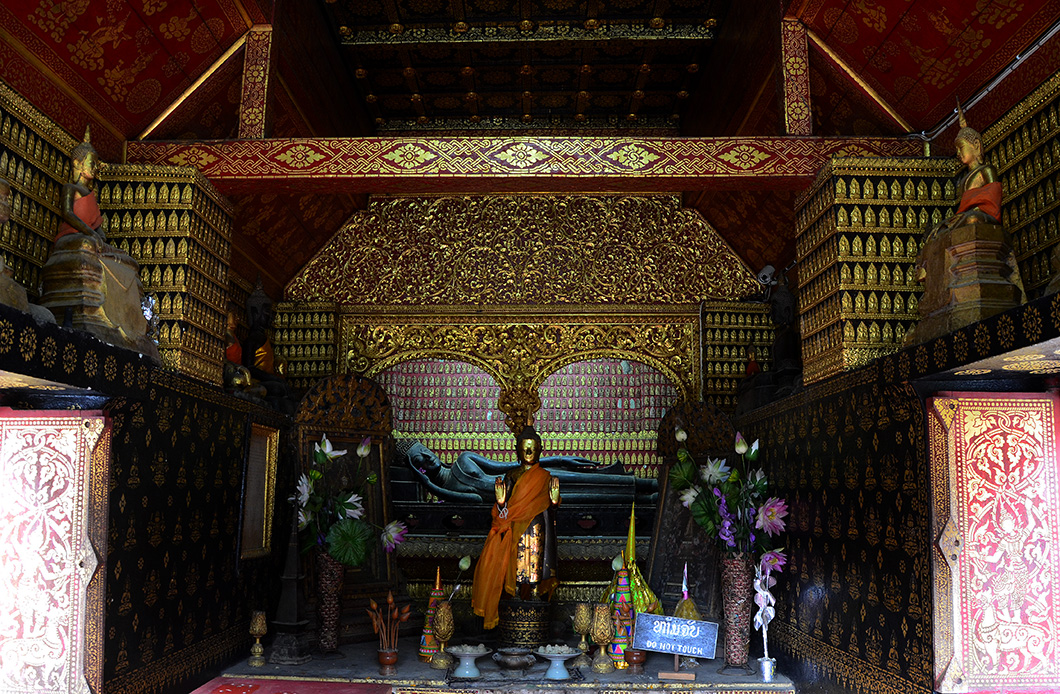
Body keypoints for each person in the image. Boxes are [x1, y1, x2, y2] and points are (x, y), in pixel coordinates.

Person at [39, 128, 158, 359]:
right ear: (78, 162)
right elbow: (67, 214)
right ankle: (97, 310)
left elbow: (98, 227)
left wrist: (101, 239)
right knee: (87, 246)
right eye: (91, 162)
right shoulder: (70, 189)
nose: (94, 168)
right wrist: (90, 234)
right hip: (72, 237)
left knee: (128, 261)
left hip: (90, 238)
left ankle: (125, 322)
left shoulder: (91, 195)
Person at [471, 426, 560, 629]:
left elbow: (552, 508)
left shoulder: (545, 477)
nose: (529, 453)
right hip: (517, 527)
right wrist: (501, 502)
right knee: (518, 561)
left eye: (532, 448)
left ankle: (535, 594)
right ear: (516, 450)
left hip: (537, 525)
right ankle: (518, 593)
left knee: (536, 559)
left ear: (540, 449)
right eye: (525, 448)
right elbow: (505, 508)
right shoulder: (511, 475)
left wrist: (554, 501)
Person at [400, 439, 657, 504]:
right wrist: (427, 483)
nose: (427, 457)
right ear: (417, 469)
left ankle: (652, 484)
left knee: (584, 478)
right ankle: (646, 499)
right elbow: (477, 500)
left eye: (424, 450)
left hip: (526, 476)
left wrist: (560, 459)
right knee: (584, 495)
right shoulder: (451, 491)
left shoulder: (464, 459)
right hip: (522, 500)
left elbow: (509, 467)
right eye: (418, 460)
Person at [928, 102, 1002, 239]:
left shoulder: (986, 170)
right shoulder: (963, 180)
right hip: (965, 216)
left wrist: (966, 214)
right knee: (939, 233)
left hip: (982, 216)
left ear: (976, 145)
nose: (957, 153)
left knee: (972, 219)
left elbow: (993, 200)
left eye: (960, 147)